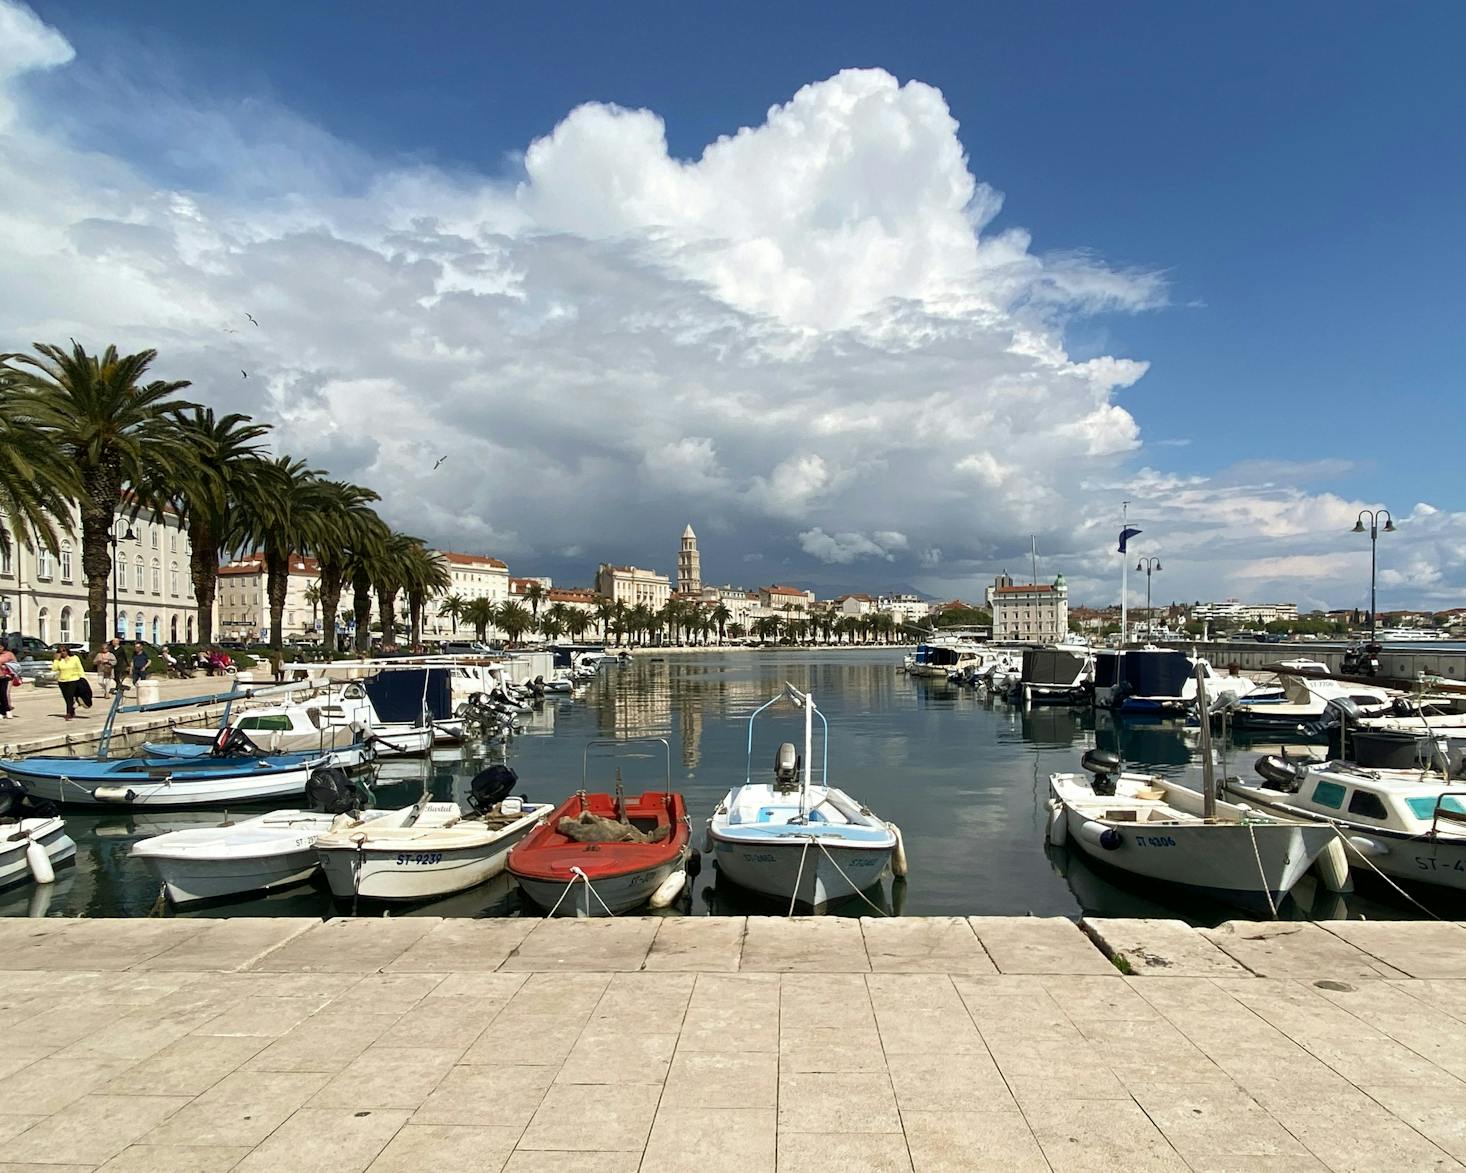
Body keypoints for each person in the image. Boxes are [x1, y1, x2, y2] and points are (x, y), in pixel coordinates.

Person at [53, 644, 85, 720]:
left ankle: (68, 713)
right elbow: (54, 669)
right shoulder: (59, 660)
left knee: (70, 696)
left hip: (73, 679)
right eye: (60, 651)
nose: (62, 653)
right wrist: (56, 660)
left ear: (67, 651)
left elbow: (80, 668)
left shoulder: (74, 658)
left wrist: (83, 677)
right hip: (62, 681)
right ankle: (72, 710)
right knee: (66, 698)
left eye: (64, 651)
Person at [0, 647, 20, 719]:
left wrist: (7, 666)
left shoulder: (9, 654)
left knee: (4, 693)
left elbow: (16, 665)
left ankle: (7, 710)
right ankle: (2, 711)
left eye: (1, 646)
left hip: (6, 676)